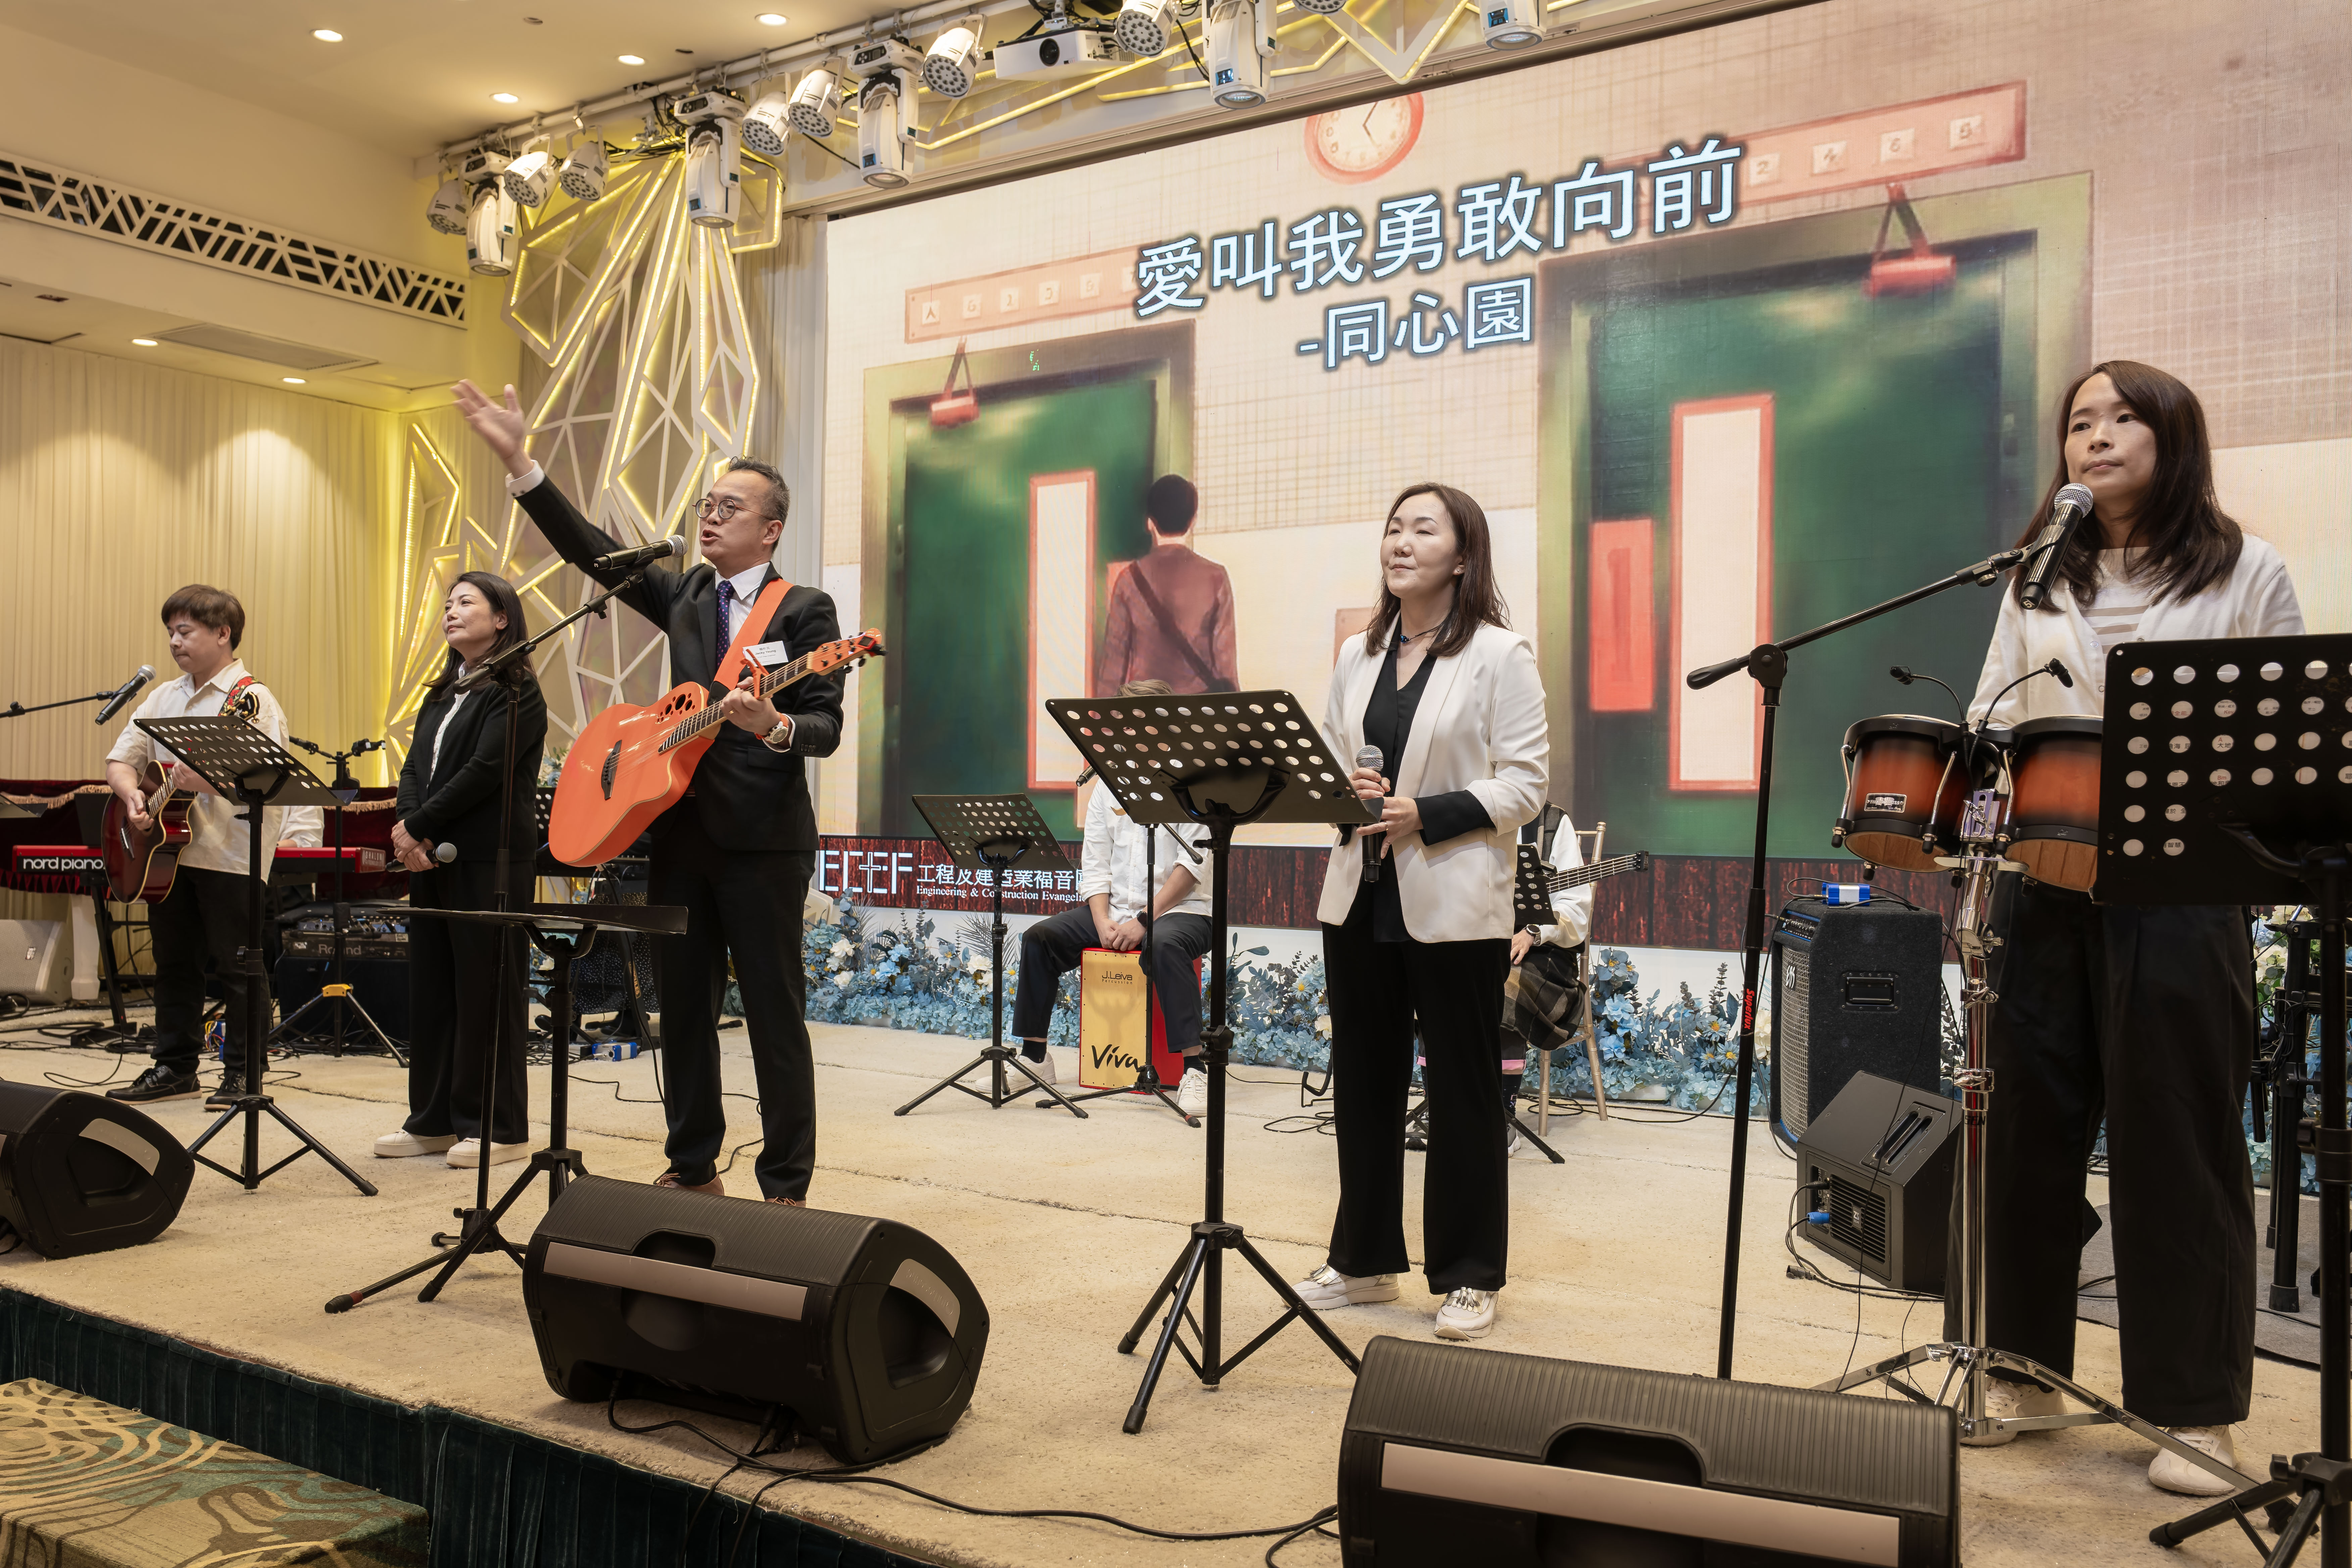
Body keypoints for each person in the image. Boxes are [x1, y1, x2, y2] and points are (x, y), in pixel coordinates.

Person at [1959, 361, 2302, 1494]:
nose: (2094, 436)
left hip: (2181, 892)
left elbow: (2278, 747)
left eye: (2120, 418)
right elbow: (1989, 715)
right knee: (2026, 1137)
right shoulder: (2032, 580)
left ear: (2172, 437)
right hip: (2043, 880)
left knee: (2178, 1147)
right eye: (2078, 422)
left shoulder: (2245, 568)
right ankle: (2022, 1373)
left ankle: (2191, 1413)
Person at [453, 379, 842, 1206]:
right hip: (679, 832)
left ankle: (785, 1182)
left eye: (730, 507)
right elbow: (592, 551)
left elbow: (824, 726)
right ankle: (694, 1164)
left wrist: (773, 724)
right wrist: (522, 464)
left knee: (774, 1014)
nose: (711, 516)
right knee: (685, 1012)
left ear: (771, 529)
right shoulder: (689, 592)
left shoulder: (806, 609)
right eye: (707, 504)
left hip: (765, 841)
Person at [1290, 483, 1548, 1341]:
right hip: (1359, 895)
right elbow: (1329, 763)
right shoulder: (1357, 654)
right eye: (1393, 528)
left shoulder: (1501, 655)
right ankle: (1363, 1262)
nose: (1400, 541)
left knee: (1464, 1093)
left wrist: (1423, 811)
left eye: (1422, 529)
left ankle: (1469, 1274)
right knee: (1363, 1085)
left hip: (1454, 901)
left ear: (1463, 555)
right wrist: (1345, 793)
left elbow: (1525, 785)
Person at [105, 586, 313, 1107]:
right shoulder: (162, 697)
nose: (174, 642)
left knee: (238, 966)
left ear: (223, 634)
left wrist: (201, 779)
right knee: (174, 963)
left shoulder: (251, 699)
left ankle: (244, 1072)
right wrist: (133, 796)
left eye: (185, 631)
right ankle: (175, 1066)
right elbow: (122, 759)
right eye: (170, 632)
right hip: (167, 855)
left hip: (230, 853)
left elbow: (262, 779)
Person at [377, 572, 547, 1170]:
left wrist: (419, 825)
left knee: (488, 992)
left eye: (465, 602)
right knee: (433, 991)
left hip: (487, 859)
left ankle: (499, 1127)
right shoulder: (443, 692)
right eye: (447, 603)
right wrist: (409, 826)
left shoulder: (516, 690)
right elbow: (413, 769)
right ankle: (433, 1121)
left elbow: (484, 770)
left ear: (502, 619)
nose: (450, 611)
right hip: (428, 854)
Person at [1009, 679, 1214, 1115]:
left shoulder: (1193, 780)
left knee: (1163, 943)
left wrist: (1144, 921)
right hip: (1116, 910)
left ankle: (1195, 1070)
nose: (1125, 732)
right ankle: (1035, 1057)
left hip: (1184, 911)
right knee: (1040, 939)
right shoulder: (1108, 785)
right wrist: (1102, 921)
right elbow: (1096, 864)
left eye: (1136, 723)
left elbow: (1192, 868)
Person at [1502, 808, 1594, 1151]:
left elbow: (1575, 906)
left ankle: (1502, 1114)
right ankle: (1441, 1107)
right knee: (1435, 980)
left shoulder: (1553, 823)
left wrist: (1533, 931)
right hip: (1481, 939)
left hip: (1545, 952)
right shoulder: (1467, 811)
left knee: (1505, 987)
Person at [1096, 475, 1238, 695]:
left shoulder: (1128, 580)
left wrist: (1101, 714)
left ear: (1150, 523)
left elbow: (1114, 667)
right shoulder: (1216, 578)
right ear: (1192, 522)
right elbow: (1226, 665)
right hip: (1199, 711)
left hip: (1146, 709)